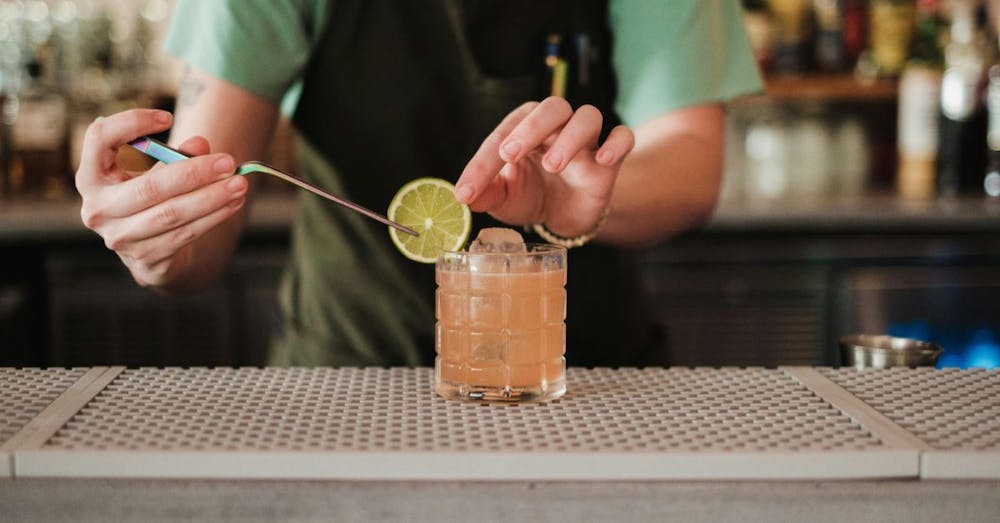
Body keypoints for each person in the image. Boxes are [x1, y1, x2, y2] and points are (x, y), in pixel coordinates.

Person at [75, 0, 762, 367]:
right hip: (348, 380)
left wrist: (559, 200)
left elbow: (689, 161)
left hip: (580, 382)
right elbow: (201, 214)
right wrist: (159, 242)